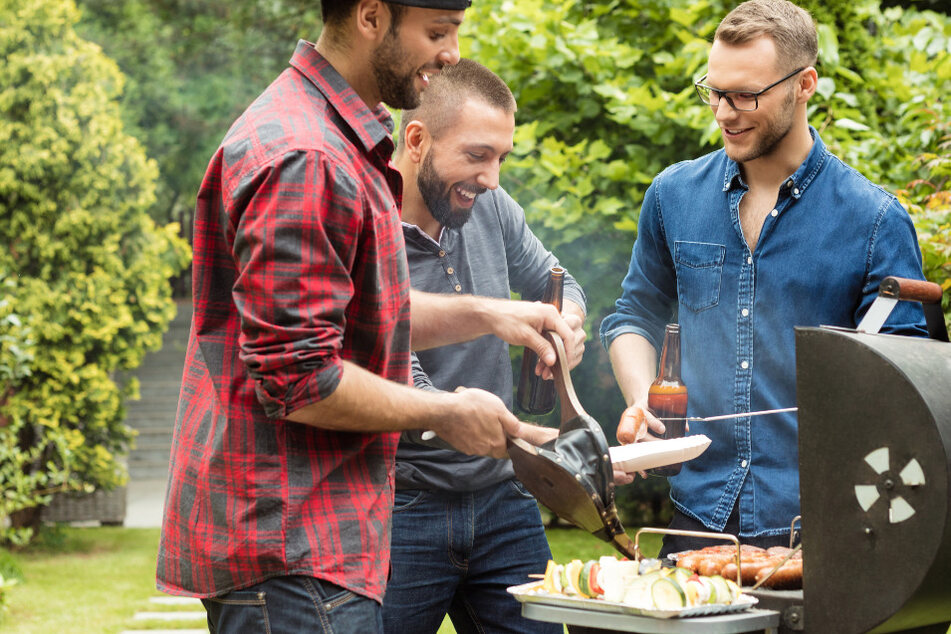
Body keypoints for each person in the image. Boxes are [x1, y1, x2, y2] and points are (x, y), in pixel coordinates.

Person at [155, 2, 576, 632]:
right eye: (437, 31)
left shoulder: (332, 138)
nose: (453, 52)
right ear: (372, 17)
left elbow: (358, 315)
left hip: (319, 541)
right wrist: (446, 412)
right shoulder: (309, 156)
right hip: (294, 549)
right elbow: (300, 377)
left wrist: (489, 313)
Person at [599, 0, 928, 557]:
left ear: (805, 85)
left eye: (746, 95)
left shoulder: (875, 222)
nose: (725, 112)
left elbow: (904, 386)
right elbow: (634, 317)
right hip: (697, 516)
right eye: (715, 91)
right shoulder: (673, 197)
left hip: (821, 528)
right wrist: (642, 400)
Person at [381, 58, 587, 634]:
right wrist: (531, 437)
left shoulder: (490, 207)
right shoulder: (367, 224)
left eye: (501, 158)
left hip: (503, 499)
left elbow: (559, 281)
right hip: (401, 506)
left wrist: (564, 323)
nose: (492, 178)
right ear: (417, 140)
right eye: (477, 156)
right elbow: (391, 358)